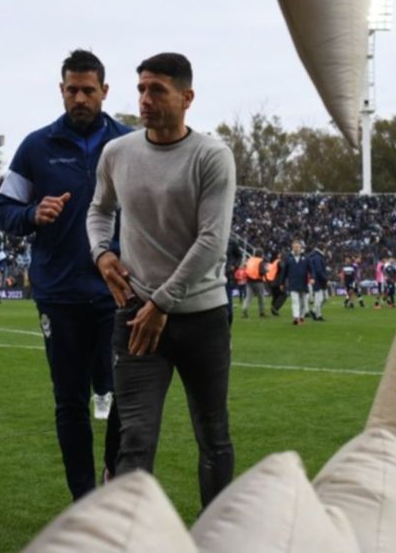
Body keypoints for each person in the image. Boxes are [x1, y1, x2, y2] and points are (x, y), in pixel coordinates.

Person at [86, 52, 236, 507]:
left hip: (202, 316)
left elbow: (212, 240)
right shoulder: (117, 153)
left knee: (213, 435)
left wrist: (164, 302)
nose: (145, 99)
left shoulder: (211, 156)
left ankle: (217, 534)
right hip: (137, 315)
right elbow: (99, 210)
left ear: (187, 98)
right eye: (141, 89)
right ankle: (130, 535)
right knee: (134, 439)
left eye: (157, 90)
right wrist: (101, 253)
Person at [0, 48, 132, 500]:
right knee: (69, 400)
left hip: (118, 290)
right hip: (61, 293)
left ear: (104, 91)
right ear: (61, 90)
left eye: (88, 90)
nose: (80, 98)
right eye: (72, 90)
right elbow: (5, 210)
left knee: (126, 394)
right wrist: (33, 213)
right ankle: (83, 498)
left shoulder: (130, 144)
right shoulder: (36, 147)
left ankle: (112, 474)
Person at [283, 240, 311, 325]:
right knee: (295, 301)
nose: (296, 248)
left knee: (303, 302)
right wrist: (282, 282)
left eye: (297, 247)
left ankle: (301, 316)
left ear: (300, 248)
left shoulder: (306, 258)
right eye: (294, 247)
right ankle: (296, 318)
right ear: (292, 248)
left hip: (303, 283)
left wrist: (313, 277)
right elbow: (284, 272)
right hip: (293, 283)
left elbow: (311, 269)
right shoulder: (288, 258)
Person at [308, 245, 330, 321]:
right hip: (318, 280)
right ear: (323, 249)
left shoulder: (317, 256)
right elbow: (318, 270)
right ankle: (318, 315)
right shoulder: (318, 257)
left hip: (319, 280)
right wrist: (326, 279)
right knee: (319, 298)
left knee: (323, 298)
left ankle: (315, 312)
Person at [242, 249, 266, 318]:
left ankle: (244, 309)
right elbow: (261, 272)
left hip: (249, 281)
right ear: (261, 254)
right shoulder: (260, 261)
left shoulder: (250, 260)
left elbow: (245, 268)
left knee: (248, 297)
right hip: (258, 281)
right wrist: (266, 271)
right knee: (261, 297)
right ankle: (261, 312)